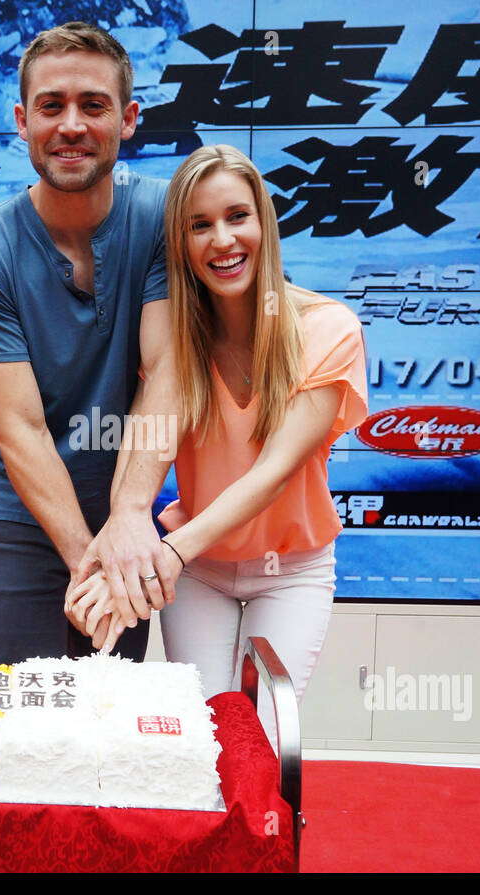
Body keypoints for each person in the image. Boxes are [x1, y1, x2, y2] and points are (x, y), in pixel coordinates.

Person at [68, 144, 369, 743]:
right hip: (200, 571)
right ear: (180, 245)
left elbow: (272, 473)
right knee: (201, 740)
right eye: (199, 225)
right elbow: (149, 439)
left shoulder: (328, 329)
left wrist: (164, 556)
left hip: (291, 571)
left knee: (259, 740)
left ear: (264, 222)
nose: (222, 240)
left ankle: (271, 836)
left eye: (237, 216)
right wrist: (115, 548)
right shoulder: (177, 344)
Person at [0, 22, 180, 667]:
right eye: (51, 106)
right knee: (25, 715)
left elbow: (165, 368)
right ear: (23, 121)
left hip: (124, 504)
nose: (71, 125)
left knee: (110, 714)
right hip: (20, 514)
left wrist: (130, 518)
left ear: (129, 119)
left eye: (93, 105)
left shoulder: (162, 219)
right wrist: (90, 562)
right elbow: (18, 427)